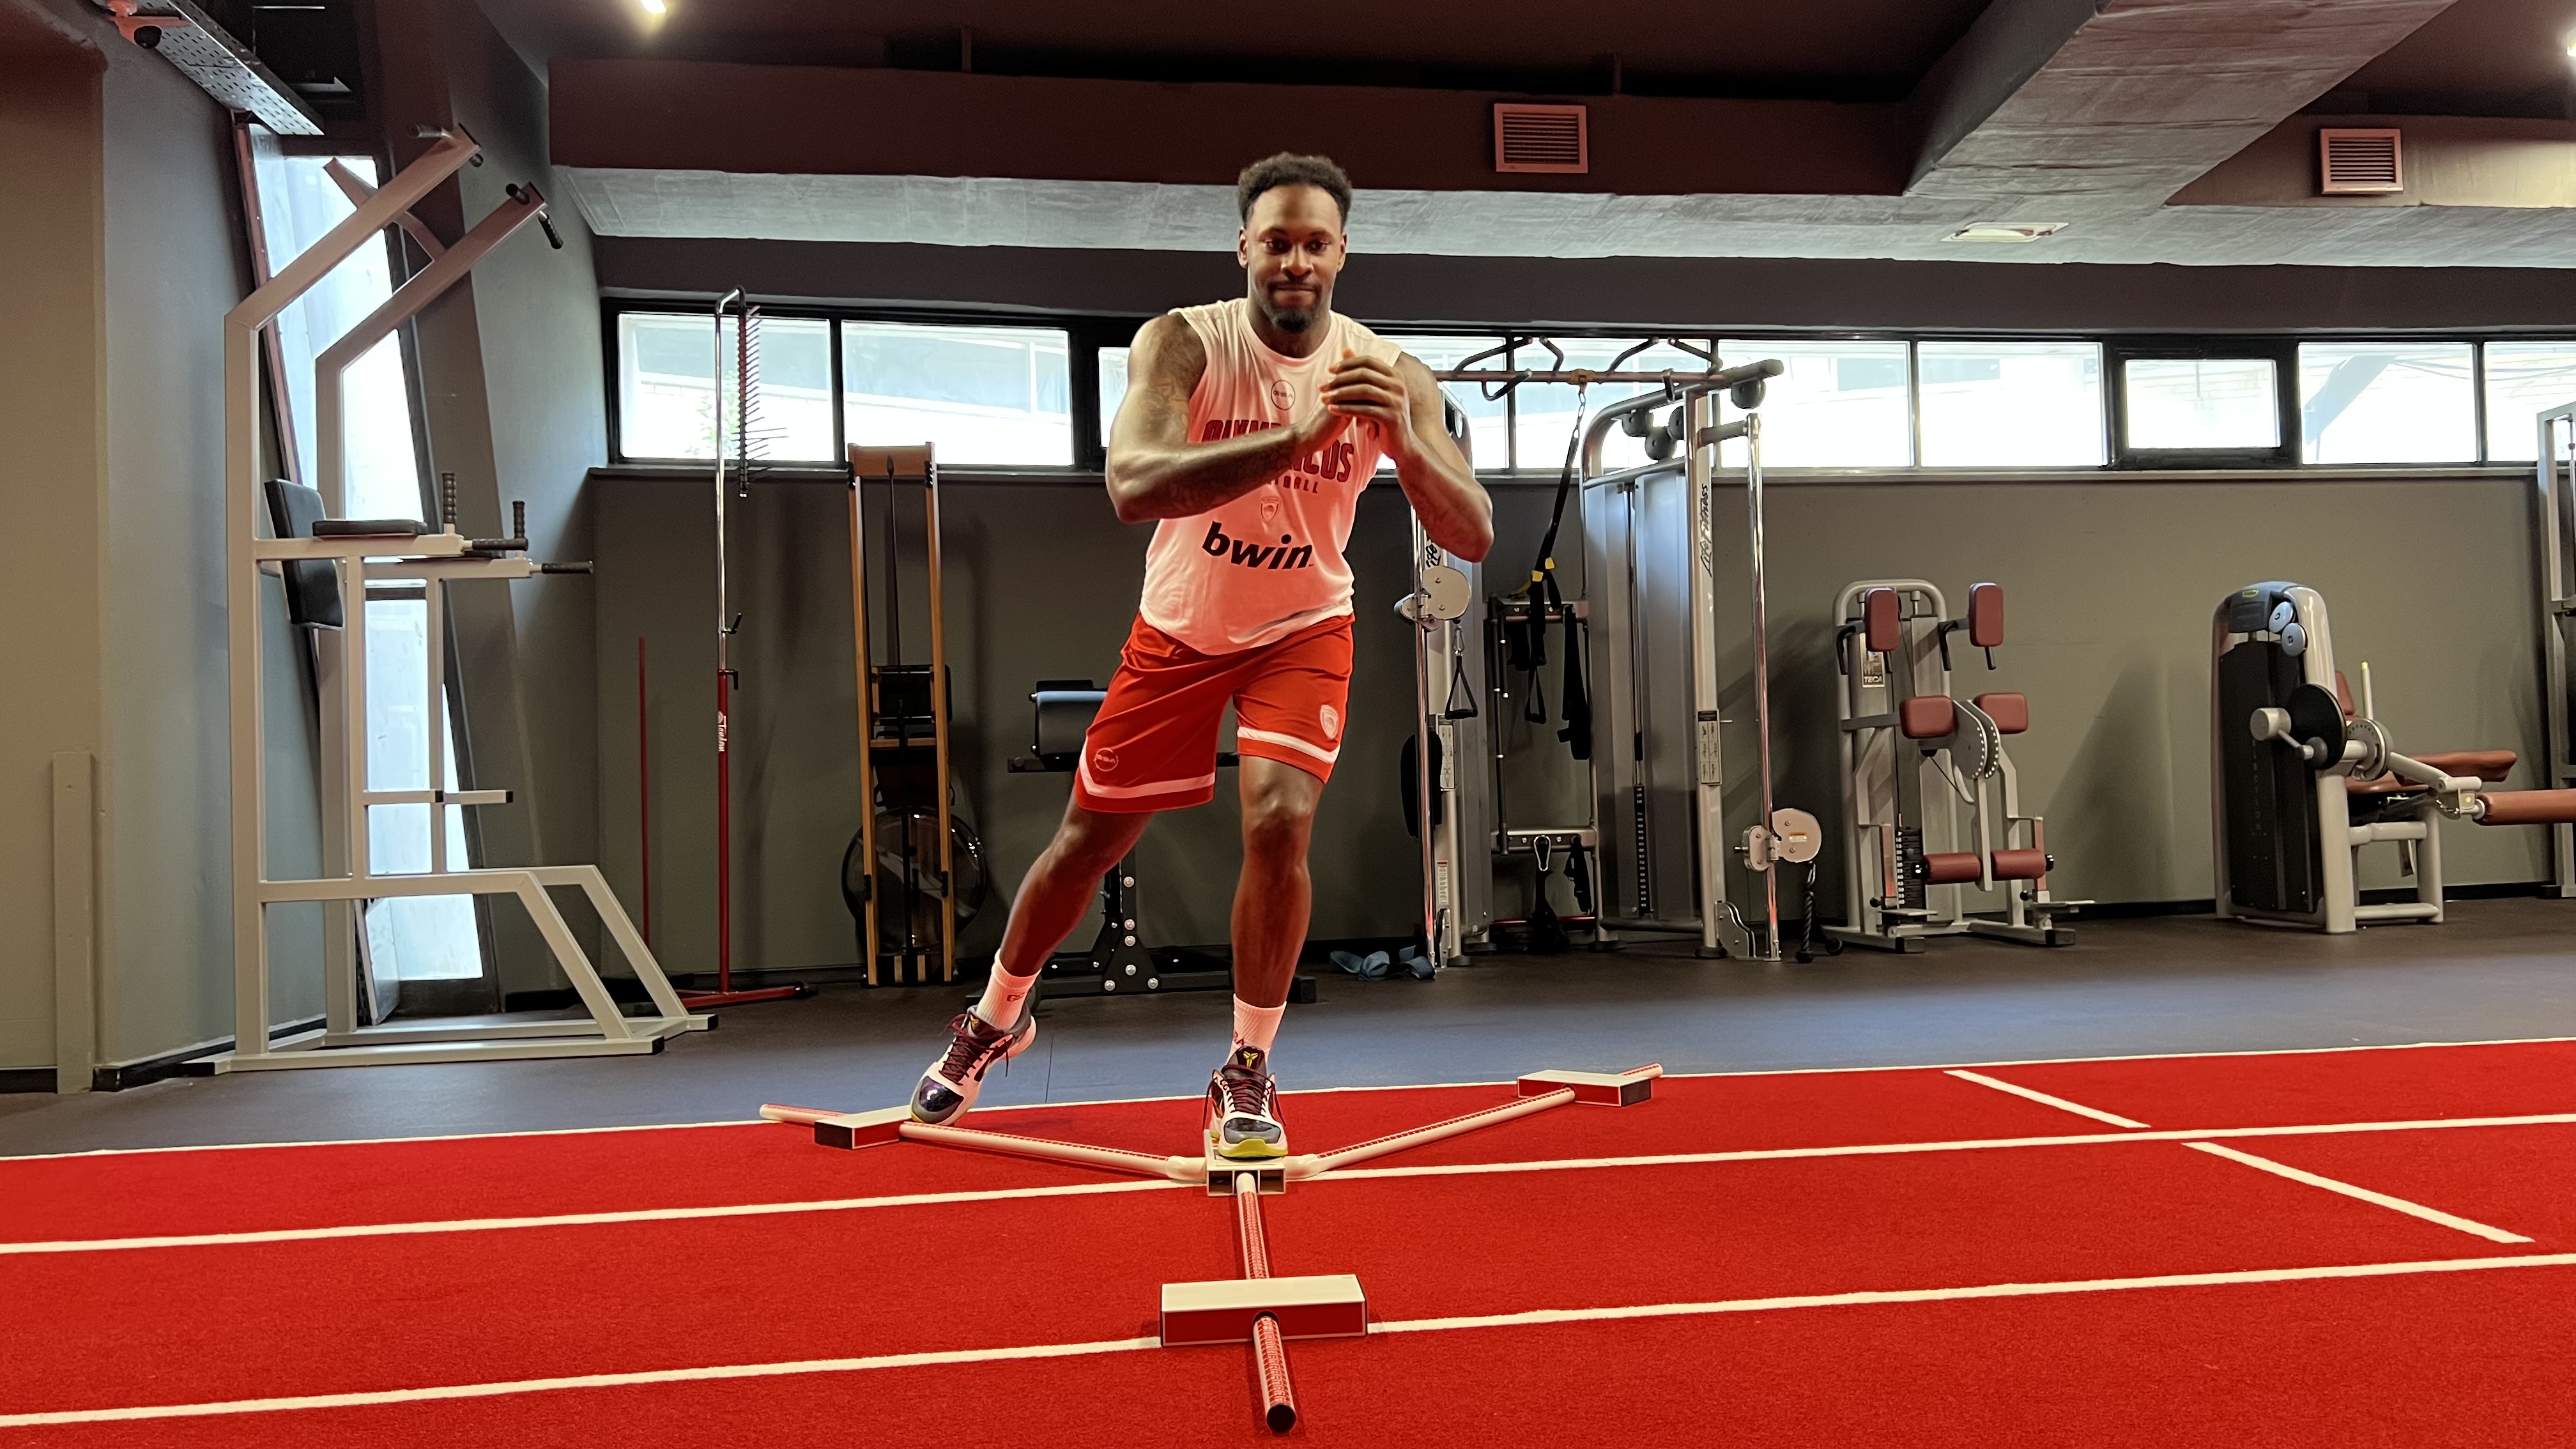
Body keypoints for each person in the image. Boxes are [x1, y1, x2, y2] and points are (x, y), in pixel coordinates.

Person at [909, 152, 1493, 1159]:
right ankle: (997, 1018)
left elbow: (1474, 532)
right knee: (1087, 844)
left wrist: (1406, 439)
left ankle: (1245, 1067)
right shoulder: (1186, 341)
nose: (1296, 261)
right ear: (1245, 250)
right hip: (1181, 629)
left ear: (1342, 254)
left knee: (1279, 820)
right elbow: (1134, 483)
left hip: (1304, 627)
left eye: (1316, 243)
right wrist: (1298, 436)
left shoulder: (1392, 374)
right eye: (1278, 242)